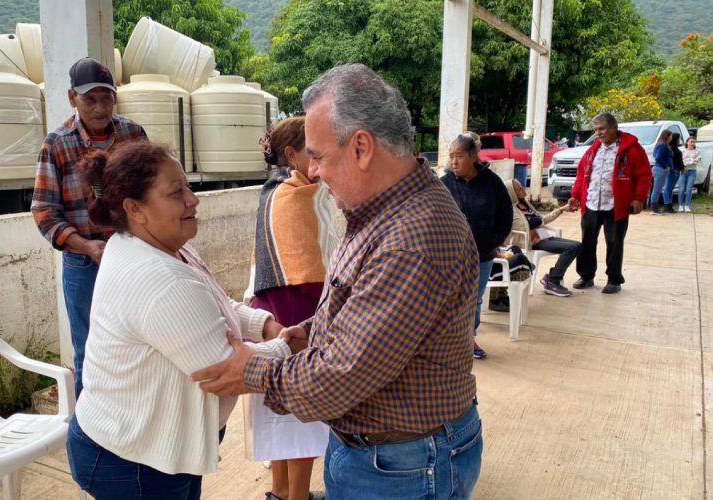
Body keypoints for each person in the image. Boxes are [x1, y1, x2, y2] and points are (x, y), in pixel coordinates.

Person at [190, 64, 483, 500]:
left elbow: (341, 376)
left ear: (361, 147)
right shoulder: (380, 210)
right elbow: (358, 307)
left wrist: (250, 371)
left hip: (403, 464)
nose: (313, 172)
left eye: (320, 156)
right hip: (384, 453)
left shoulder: (411, 238)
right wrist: (307, 333)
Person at [67, 141, 294, 499]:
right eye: (176, 192)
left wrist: (264, 325)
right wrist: (289, 345)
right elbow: (224, 372)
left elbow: (215, 305)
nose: (193, 199)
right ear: (134, 208)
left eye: (187, 186)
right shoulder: (157, 276)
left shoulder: (164, 248)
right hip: (134, 459)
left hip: (151, 445)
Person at [31, 57, 147, 397]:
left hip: (133, 256)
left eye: (106, 98)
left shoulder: (133, 134)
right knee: (89, 350)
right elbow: (43, 211)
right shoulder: (57, 144)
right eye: (89, 99)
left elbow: (149, 192)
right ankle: (90, 437)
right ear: (72, 99)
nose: (99, 107)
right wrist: (87, 246)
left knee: (137, 344)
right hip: (84, 263)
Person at [248, 117, 335, 500]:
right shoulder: (293, 195)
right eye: (312, 151)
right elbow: (306, 267)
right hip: (294, 309)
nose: (318, 160)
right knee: (303, 408)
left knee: (280, 407)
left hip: (272, 309)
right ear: (290, 154)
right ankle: (296, 496)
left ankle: (281, 492)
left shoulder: (276, 190)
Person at [442, 134, 513, 359]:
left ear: (473, 156)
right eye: (451, 157)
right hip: (450, 256)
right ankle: (447, 341)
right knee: (448, 298)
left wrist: (494, 241)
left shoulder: (492, 182)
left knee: (475, 299)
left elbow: (505, 215)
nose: (454, 162)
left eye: (459, 156)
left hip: (482, 255)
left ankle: (468, 339)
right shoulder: (444, 184)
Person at [569, 112, 652, 294]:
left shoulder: (632, 149)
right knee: (587, 242)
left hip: (615, 205)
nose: (598, 133)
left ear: (614, 128)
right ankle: (586, 276)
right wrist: (575, 195)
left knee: (614, 243)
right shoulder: (593, 150)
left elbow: (644, 175)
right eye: (596, 130)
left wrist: (638, 198)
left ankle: (614, 279)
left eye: (602, 129)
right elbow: (582, 175)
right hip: (591, 203)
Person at [508, 180, 581, 297]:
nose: (523, 190)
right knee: (571, 248)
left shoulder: (526, 204)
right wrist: (534, 222)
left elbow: (541, 219)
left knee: (578, 245)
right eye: (519, 189)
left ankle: (551, 277)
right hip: (532, 242)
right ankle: (553, 281)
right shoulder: (510, 210)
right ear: (512, 192)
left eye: (522, 187)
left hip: (542, 237)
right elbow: (521, 226)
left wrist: (561, 209)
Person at [648, 129, 673, 215]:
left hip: (660, 169)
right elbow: (658, 157)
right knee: (657, 189)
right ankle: (654, 208)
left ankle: (655, 206)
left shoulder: (662, 144)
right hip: (660, 169)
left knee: (658, 189)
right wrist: (665, 166)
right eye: (670, 136)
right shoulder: (662, 145)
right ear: (667, 136)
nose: (671, 138)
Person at [662, 133, 684, 213]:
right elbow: (677, 161)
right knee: (668, 188)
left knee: (670, 189)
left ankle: (669, 206)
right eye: (678, 139)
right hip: (673, 170)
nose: (679, 140)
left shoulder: (673, 148)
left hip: (675, 170)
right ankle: (667, 206)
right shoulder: (672, 149)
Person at [679, 137, 701, 212]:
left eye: (694, 142)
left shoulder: (697, 150)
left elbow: (697, 160)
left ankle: (687, 205)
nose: (693, 143)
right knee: (681, 189)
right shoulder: (682, 150)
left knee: (689, 189)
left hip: (692, 171)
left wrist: (688, 161)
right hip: (683, 171)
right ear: (687, 142)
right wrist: (690, 160)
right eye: (691, 142)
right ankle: (681, 205)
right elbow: (681, 161)